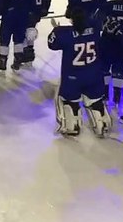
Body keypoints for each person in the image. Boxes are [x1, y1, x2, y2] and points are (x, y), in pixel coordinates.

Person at [48, 8, 112, 138]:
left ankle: (72, 126)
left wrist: (56, 29)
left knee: (68, 100)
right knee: (95, 100)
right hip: (94, 74)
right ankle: (102, 124)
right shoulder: (94, 30)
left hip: (73, 77)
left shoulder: (64, 33)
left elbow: (52, 43)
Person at [20, 0, 51, 64]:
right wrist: (45, 8)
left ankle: (26, 53)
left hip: (28, 9)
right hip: (38, 10)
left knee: (24, 31)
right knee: (31, 29)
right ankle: (29, 51)